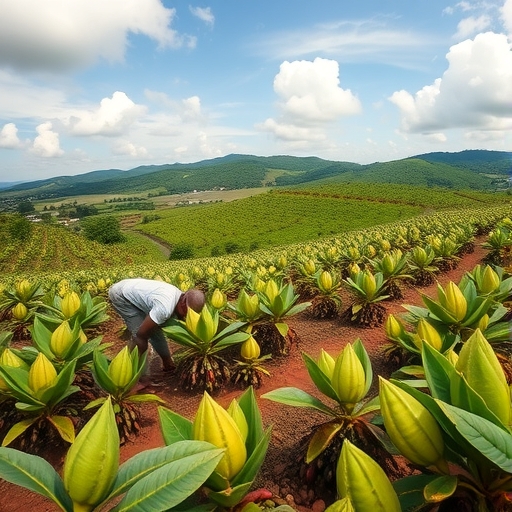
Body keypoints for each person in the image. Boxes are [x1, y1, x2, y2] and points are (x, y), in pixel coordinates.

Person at [108, 278, 205, 376]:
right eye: (187, 312)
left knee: (154, 327)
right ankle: (133, 375)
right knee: (140, 334)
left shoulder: (180, 296)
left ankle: (168, 364)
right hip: (122, 295)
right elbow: (141, 335)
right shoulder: (165, 308)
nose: (187, 316)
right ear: (183, 302)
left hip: (133, 289)